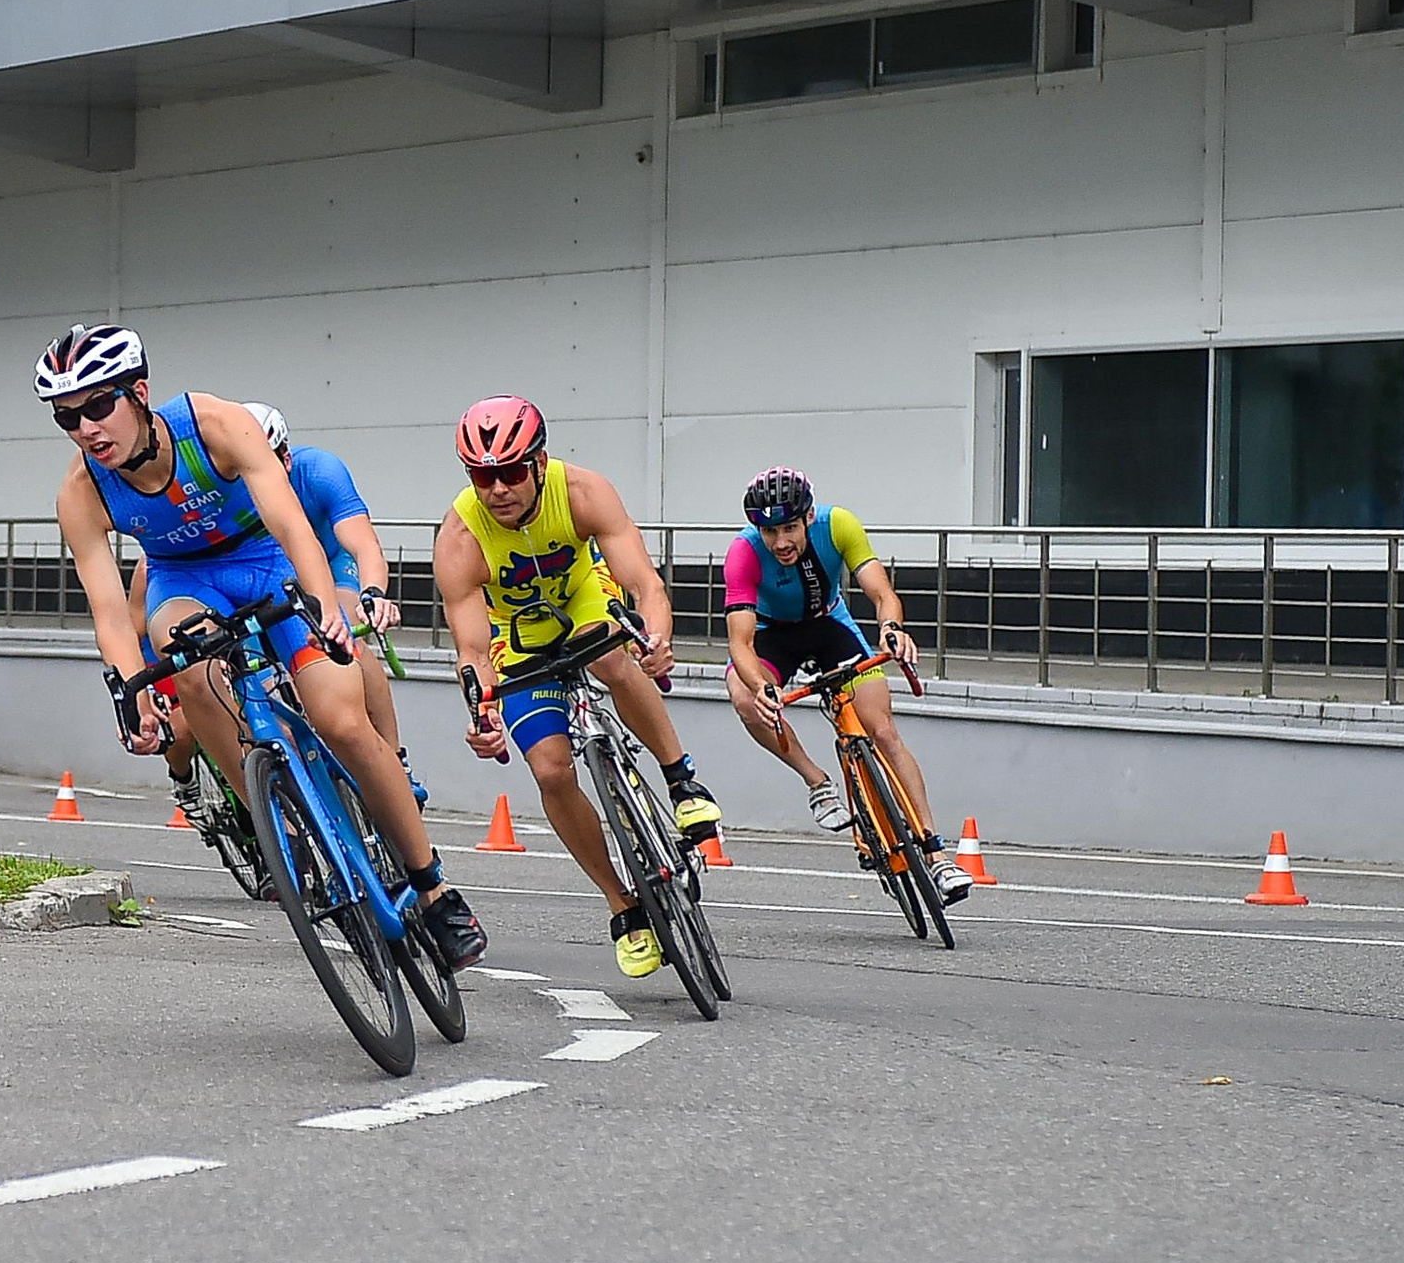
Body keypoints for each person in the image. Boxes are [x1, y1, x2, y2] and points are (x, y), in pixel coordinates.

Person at [39, 322, 486, 969]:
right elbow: (111, 609)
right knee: (186, 660)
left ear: (139, 392)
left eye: (98, 405)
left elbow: (289, 520)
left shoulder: (214, 423)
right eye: (67, 417)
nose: (87, 428)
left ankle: (434, 887)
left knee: (342, 722)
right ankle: (279, 826)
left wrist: (328, 605)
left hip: (266, 559)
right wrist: (130, 689)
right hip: (184, 580)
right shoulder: (81, 491)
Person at [434, 394, 721, 980]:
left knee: (615, 657)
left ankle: (680, 780)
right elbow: (471, 651)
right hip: (518, 639)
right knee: (550, 770)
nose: (498, 490)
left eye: (511, 472)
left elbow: (645, 584)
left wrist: (657, 639)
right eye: (483, 477)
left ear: (539, 463)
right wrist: (483, 716)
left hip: (585, 600)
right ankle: (623, 905)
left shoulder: (584, 492)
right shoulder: (460, 536)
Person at [127, 400, 420, 828]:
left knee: (342, 628)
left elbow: (363, 544)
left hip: (323, 565)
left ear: (286, 454)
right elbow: (146, 591)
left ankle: (393, 756)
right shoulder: (226, 489)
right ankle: (233, 790)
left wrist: (374, 592)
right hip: (243, 581)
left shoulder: (318, 471)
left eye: (278, 458)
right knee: (213, 699)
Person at [722, 466, 972, 902]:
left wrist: (891, 629)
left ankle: (937, 856)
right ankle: (817, 783)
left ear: (809, 516)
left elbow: (881, 593)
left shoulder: (839, 525)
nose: (780, 542)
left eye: (789, 528)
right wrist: (761, 688)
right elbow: (740, 644)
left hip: (828, 625)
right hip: (771, 634)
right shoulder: (743, 552)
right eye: (770, 532)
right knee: (743, 696)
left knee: (884, 732)